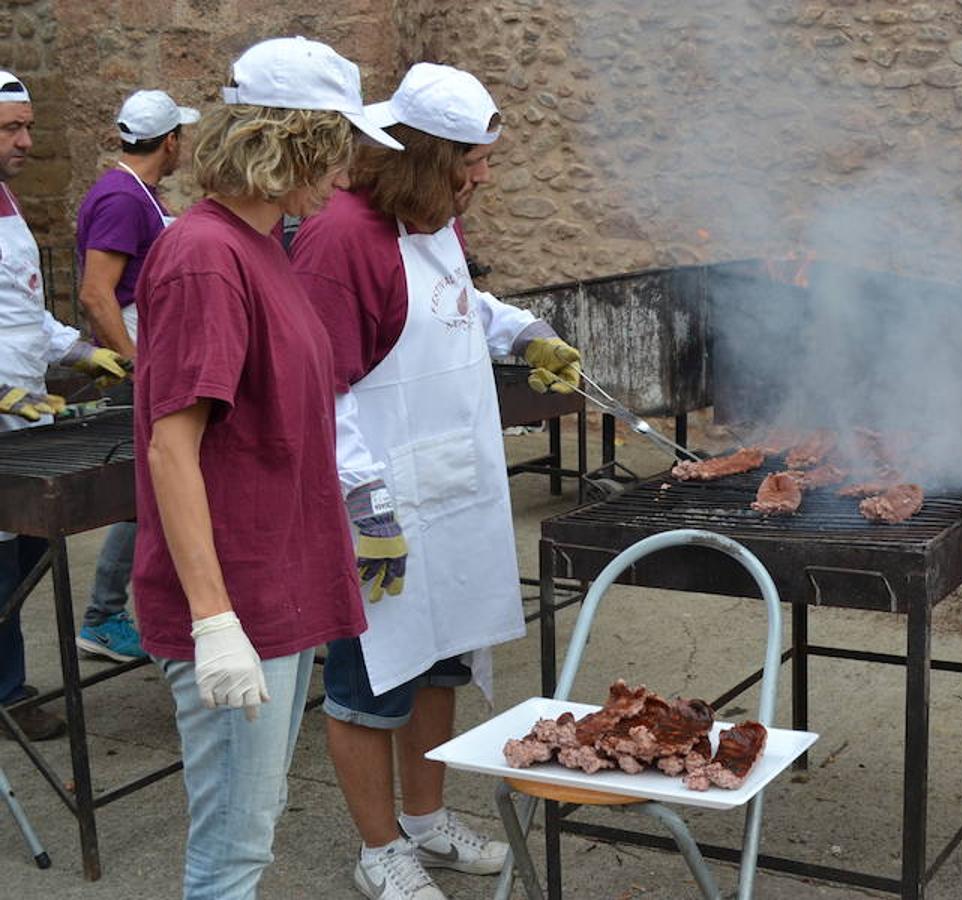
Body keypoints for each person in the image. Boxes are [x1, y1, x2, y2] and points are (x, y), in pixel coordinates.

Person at [290, 63, 582, 900]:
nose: (484, 176)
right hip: (380, 502)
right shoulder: (340, 238)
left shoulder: (432, 220)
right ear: (422, 154)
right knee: (368, 684)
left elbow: (459, 306)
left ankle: (425, 820)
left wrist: (522, 331)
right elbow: (323, 389)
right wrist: (364, 504)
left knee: (441, 667)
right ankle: (379, 847)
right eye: (473, 160)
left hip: (452, 498)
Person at [130, 37, 401, 899]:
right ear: (293, 141)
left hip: (275, 586)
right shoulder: (206, 256)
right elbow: (172, 445)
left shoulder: (264, 245)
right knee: (230, 858)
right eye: (338, 144)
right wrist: (214, 622)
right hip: (236, 598)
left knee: (255, 827)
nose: (347, 166)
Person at [0, 69, 129, 743]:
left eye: (27, 127)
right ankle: (8, 694)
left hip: (27, 418)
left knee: (24, 558)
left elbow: (21, 315)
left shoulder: (7, 203)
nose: (26, 141)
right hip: (3, 413)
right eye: (11, 129)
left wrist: (81, 351)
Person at [73, 88, 199, 663]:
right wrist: (135, 364)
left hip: (149, 356)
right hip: (141, 365)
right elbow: (97, 293)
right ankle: (102, 617)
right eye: (183, 138)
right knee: (140, 497)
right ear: (170, 141)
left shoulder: (136, 194)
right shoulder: (123, 197)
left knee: (146, 495)